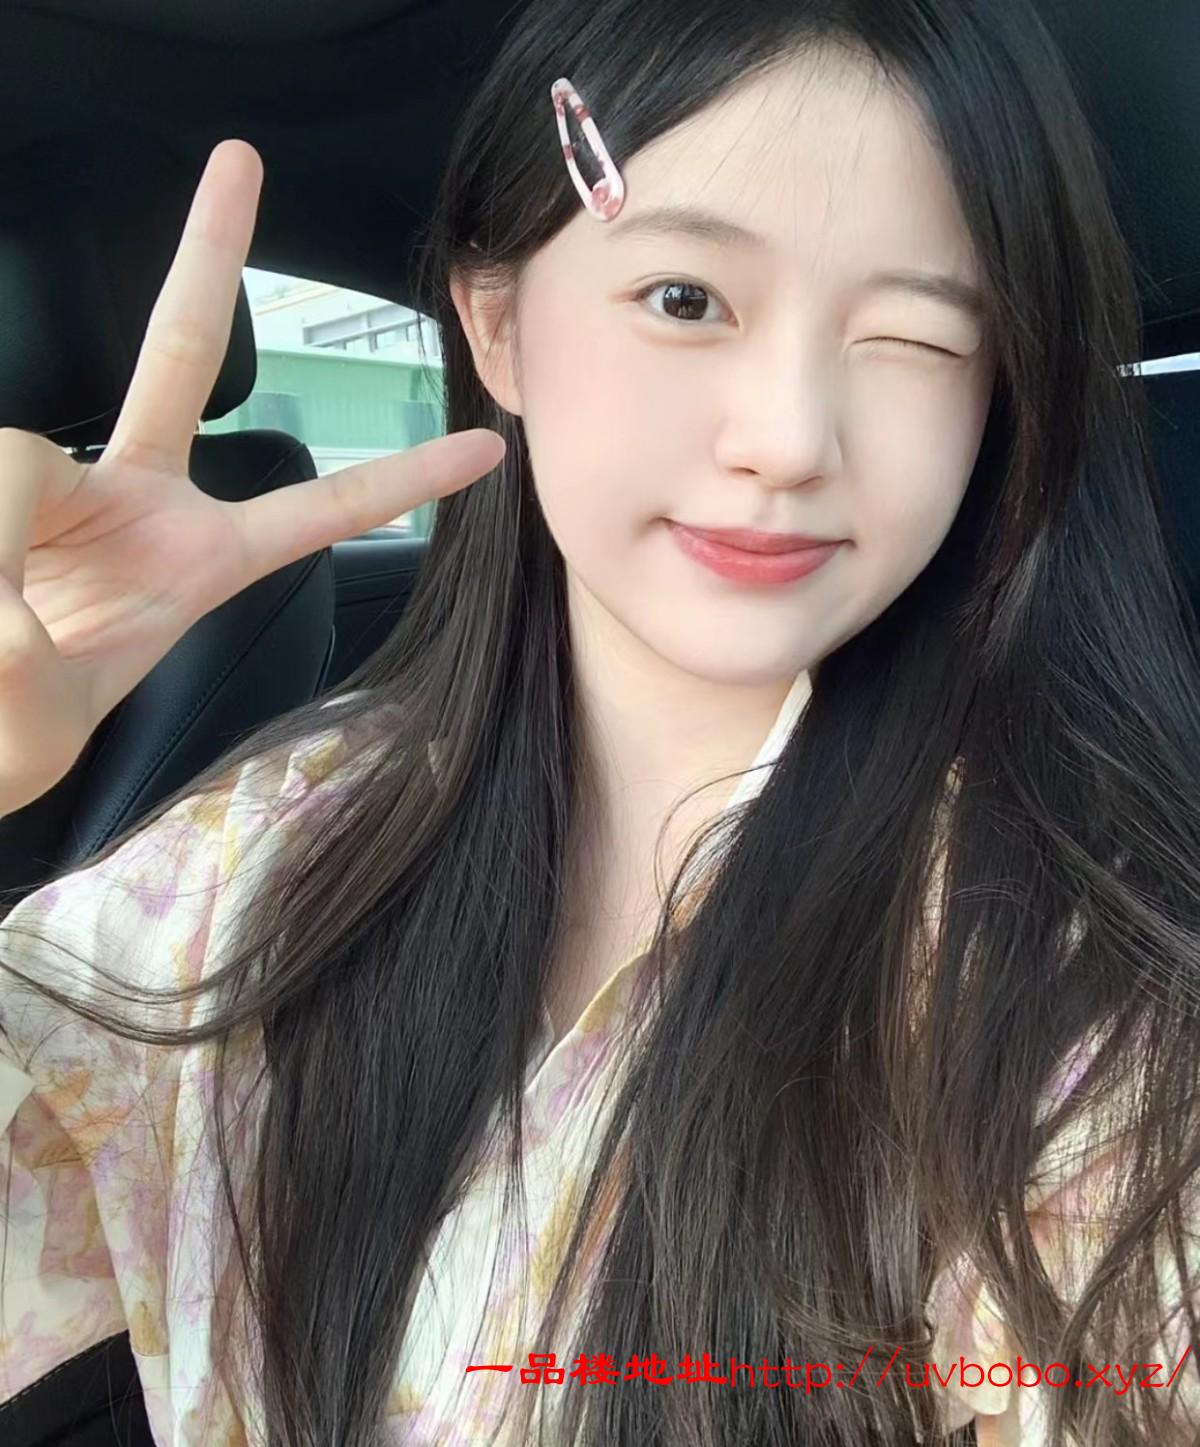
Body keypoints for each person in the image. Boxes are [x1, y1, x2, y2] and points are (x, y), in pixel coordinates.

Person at [1, 0, 1198, 1442]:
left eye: (914, 337)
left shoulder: (1063, 998)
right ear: (498, 327)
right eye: (686, 299)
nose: (788, 440)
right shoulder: (260, 862)